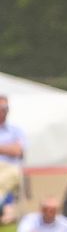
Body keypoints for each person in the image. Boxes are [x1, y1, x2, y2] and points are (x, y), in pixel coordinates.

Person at [0, 96, 25, 224]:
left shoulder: (16, 130)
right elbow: (13, 150)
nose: (2, 111)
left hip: (9, 168)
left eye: (5, 108)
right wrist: (7, 148)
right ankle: (7, 210)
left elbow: (17, 151)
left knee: (10, 176)